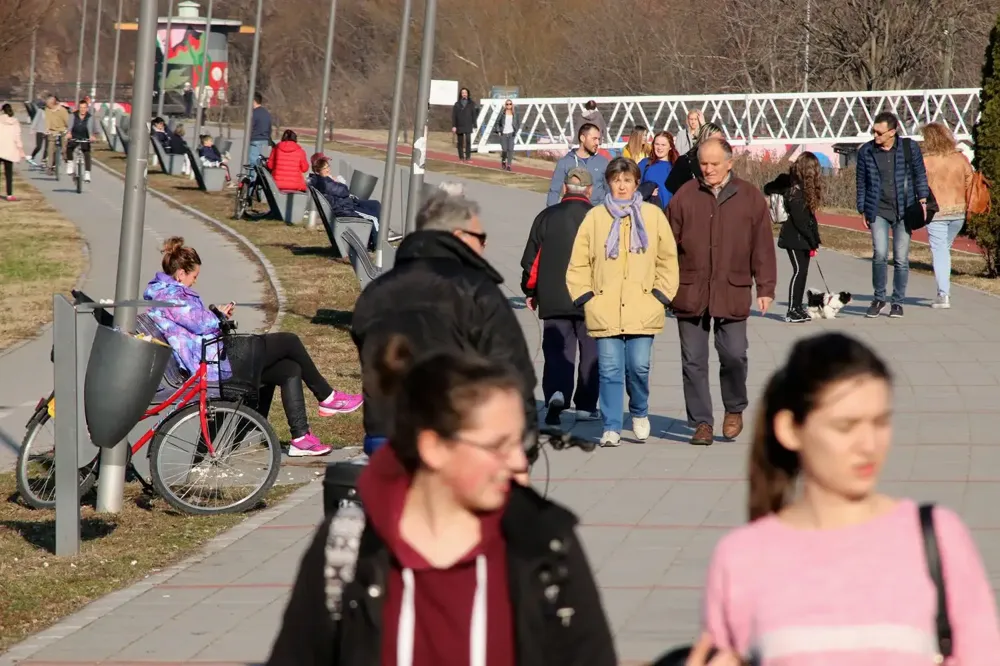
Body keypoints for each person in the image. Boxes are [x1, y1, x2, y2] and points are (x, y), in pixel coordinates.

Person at [266, 336, 616, 666]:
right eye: (497, 446)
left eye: (521, 444)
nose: (519, 463)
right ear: (433, 448)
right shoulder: (348, 544)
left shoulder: (545, 541)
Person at [693, 332, 1000, 665]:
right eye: (845, 426)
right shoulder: (741, 558)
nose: (868, 445)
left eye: (881, 422)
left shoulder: (936, 538)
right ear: (790, 429)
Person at [351, 190, 538, 457]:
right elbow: (513, 374)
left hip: (386, 437)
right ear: (459, 237)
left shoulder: (375, 293)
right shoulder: (476, 290)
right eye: (481, 238)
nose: (484, 247)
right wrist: (524, 446)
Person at [145, 237, 363, 457]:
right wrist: (218, 315)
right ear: (181, 273)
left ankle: (301, 438)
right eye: (194, 277)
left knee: (289, 369)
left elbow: (196, 321)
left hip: (213, 356)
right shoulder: (169, 296)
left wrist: (217, 313)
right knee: (289, 340)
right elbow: (201, 323)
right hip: (212, 364)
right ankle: (328, 397)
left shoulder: (169, 293)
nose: (194, 282)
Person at [667, 139, 777, 446]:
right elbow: (665, 247)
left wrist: (765, 287)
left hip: (733, 288)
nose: (709, 169)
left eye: (715, 163)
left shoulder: (750, 197)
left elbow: (763, 247)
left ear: (730, 163)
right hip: (690, 291)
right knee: (693, 361)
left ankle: (734, 407)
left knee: (734, 354)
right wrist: (662, 285)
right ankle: (701, 422)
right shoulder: (684, 196)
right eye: (704, 163)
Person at [566, 157, 679, 447]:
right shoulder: (595, 217)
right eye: (617, 180)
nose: (622, 186)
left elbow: (668, 260)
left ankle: (639, 412)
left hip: (643, 306)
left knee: (639, 366)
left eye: (627, 180)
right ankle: (612, 425)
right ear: (609, 183)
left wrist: (660, 296)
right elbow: (578, 263)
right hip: (604, 307)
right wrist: (586, 297)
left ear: (636, 183)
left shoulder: (653, 217)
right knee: (609, 369)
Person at [521, 168, 600, 426]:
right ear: (589, 190)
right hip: (590, 297)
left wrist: (530, 291)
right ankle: (586, 406)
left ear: (565, 188)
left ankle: (557, 391)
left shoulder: (546, 217)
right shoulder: (597, 219)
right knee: (591, 351)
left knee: (557, 349)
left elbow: (532, 261)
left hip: (554, 297)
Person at [856, 111, 930, 319]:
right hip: (878, 209)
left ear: (892, 131)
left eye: (879, 132)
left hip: (904, 209)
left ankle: (897, 302)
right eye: (873, 131)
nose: (875, 136)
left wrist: (922, 199)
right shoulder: (867, 152)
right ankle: (879, 298)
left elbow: (920, 173)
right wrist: (862, 208)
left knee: (901, 258)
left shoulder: (909, 147)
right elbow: (861, 182)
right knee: (879, 254)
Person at [763, 152, 823, 323]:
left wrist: (814, 240)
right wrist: (813, 241)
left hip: (803, 237)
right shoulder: (794, 187)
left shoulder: (806, 187)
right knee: (798, 271)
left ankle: (797, 307)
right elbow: (800, 220)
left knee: (803, 272)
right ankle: (791, 310)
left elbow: (810, 218)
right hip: (793, 236)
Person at [920, 122, 973, 309]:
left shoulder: (925, 160)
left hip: (937, 212)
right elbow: (970, 181)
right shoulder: (959, 158)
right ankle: (943, 288)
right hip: (959, 211)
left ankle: (943, 295)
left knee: (940, 251)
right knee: (944, 249)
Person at [307, 155, 391, 248]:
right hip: (345, 209)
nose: (328, 170)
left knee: (375, 204)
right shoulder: (324, 183)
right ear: (317, 171)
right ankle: (378, 245)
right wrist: (338, 181)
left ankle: (379, 234)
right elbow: (344, 191)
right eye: (324, 168)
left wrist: (332, 180)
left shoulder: (321, 180)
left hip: (345, 204)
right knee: (373, 217)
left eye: (328, 166)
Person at [547, 123, 610, 206]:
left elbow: (609, 191)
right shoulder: (564, 162)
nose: (597, 142)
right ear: (582, 138)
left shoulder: (603, 162)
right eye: (594, 139)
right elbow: (554, 191)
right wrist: (551, 214)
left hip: (596, 214)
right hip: (572, 213)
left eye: (598, 139)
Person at [665, 122, 723, 195]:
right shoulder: (685, 161)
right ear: (704, 139)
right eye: (714, 140)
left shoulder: (722, 162)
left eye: (720, 141)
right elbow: (671, 185)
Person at [637, 131, 677, 210]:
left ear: (670, 147)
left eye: (663, 145)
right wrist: (647, 192)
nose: (659, 148)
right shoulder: (645, 164)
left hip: (670, 214)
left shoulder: (676, 167)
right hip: (649, 213)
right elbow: (633, 188)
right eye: (657, 144)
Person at [66, 98, 95, 182]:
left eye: (84, 107)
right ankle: (70, 163)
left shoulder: (90, 117)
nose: (82, 109)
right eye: (81, 107)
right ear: (78, 108)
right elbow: (70, 126)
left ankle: (87, 173)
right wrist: (69, 133)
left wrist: (93, 136)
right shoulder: (73, 115)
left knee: (86, 153)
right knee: (69, 148)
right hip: (74, 135)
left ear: (87, 108)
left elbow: (94, 130)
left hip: (85, 137)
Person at [0, 104, 23, 201]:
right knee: (8, 174)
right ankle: (9, 194)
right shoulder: (15, 122)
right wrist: (21, 150)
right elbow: (17, 137)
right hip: (9, 150)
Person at [43, 95, 70, 176]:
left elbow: (67, 121)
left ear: (53, 103)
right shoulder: (47, 110)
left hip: (62, 130)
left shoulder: (62, 110)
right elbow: (47, 120)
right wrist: (47, 130)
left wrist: (69, 131)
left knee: (64, 146)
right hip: (52, 131)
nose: (47, 105)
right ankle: (49, 167)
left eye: (48, 103)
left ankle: (66, 157)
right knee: (50, 149)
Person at [451, 87, 480, 163]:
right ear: (461, 94)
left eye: (465, 93)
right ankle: (461, 157)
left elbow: (474, 114)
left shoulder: (471, 103)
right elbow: (454, 115)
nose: (464, 94)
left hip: (468, 124)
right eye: (463, 93)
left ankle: (468, 157)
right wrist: (454, 126)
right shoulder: (457, 104)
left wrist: (475, 125)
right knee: (460, 142)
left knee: (468, 141)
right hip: (459, 124)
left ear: (467, 94)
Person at [248, 92, 272, 179]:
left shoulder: (253, 113)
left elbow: (250, 128)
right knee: (263, 166)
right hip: (265, 141)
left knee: (252, 166)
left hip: (255, 141)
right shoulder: (266, 113)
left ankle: (250, 188)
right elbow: (269, 128)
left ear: (254, 101)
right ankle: (260, 189)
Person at [493, 98, 519, 171]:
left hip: (511, 133)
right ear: (505, 105)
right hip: (503, 133)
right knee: (504, 149)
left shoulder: (515, 113)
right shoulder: (502, 113)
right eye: (507, 104)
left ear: (512, 105)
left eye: (510, 104)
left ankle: (509, 165)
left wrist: (516, 130)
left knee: (510, 149)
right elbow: (497, 122)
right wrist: (498, 131)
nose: (509, 105)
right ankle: (503, 160)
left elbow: (517, 123)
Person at [27, 95, 48, 168]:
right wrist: (32, 129)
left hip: (48, 131)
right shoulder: (40, 111)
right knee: (39, 146)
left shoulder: (52, 112)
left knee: (47, 148)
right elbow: (35, 120)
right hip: (40, 130)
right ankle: (32, 157)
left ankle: (44, 161)